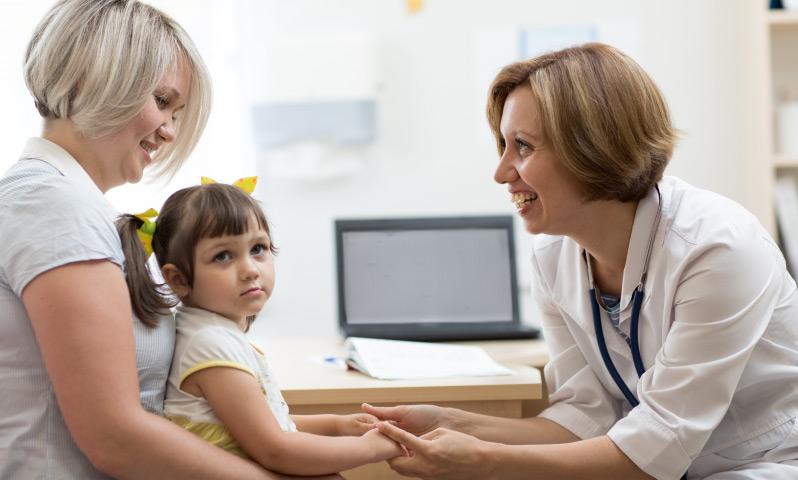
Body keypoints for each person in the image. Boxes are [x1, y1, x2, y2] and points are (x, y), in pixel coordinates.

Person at [365, 42, 798, 480]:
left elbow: (655, 448)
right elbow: (584, 419)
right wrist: (453, 424)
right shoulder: (555, 257)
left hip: (765, 464)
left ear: (593, 146)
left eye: (523, 147)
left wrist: (486, 460)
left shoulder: (718, 248)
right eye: (502, 145)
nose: (501, 172)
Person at [0, 1, 341, 479]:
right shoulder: (55, 207)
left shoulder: (68, 203)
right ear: (86, 80)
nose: (169, 130)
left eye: (176, 112)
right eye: (162, 102)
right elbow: (115, 436)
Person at [117, 179, 405, 476]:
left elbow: (265, 425)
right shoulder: (208, 345)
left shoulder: (212, 333)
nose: (251, 269)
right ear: (178, 279)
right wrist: (373, 449)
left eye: (258, 248)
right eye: (223, 256)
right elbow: (275, 449)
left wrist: (337, 425)